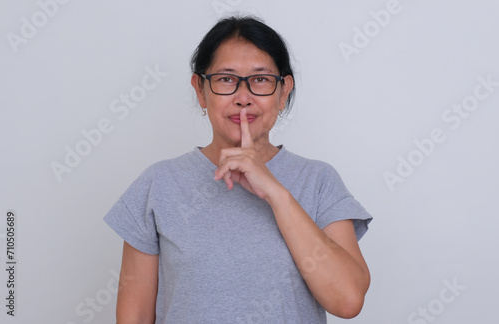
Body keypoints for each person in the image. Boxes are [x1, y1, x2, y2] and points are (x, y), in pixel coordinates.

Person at [104, 15, 373, 324]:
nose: (243, 98)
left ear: (283, 91)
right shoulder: (159, 183)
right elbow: (134, 316)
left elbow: (348, 300)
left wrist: (275, 191)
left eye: (260, 79)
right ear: (200, 89)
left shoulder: (319, 181)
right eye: (226, 79)